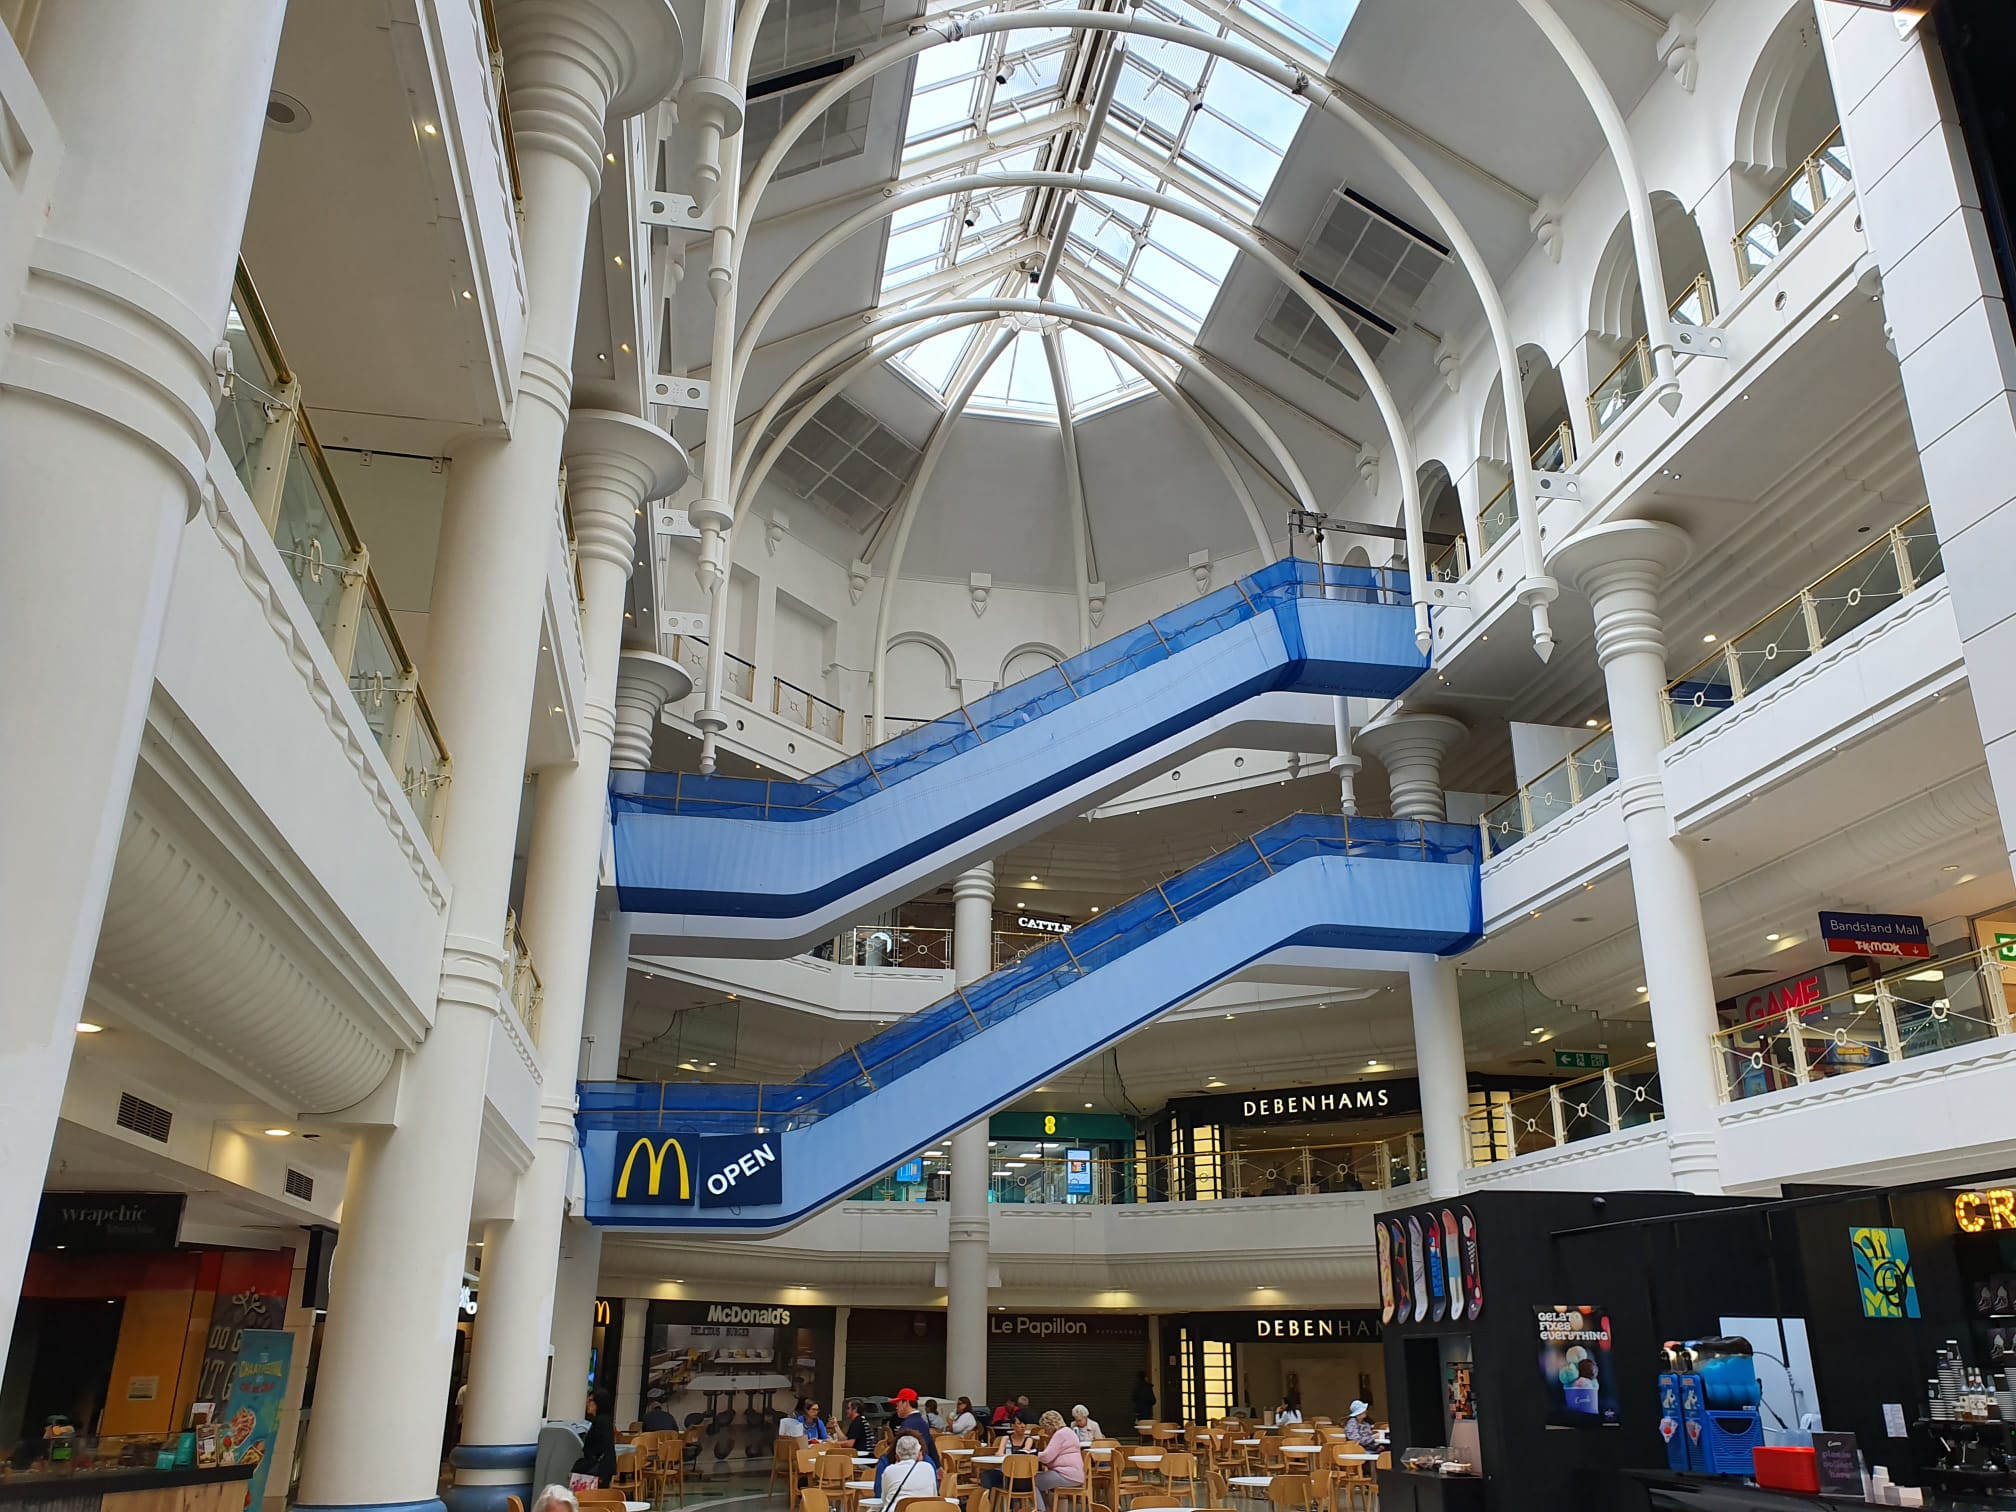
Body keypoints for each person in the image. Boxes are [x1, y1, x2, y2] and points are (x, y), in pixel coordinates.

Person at [1034, 1410, 1086, 1512]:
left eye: (1045, 1428)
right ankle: (1045, 1508)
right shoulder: (1068, 1431)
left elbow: (1047, 1457)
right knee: (1041, 1481)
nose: (1045, 1432)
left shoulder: (1059, 1434)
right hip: (1076, 1475)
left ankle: (1041, 1510)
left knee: (1033, 1482)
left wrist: (1034, 1455)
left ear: (1050, 1426)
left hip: (1065, 1475)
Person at [879, 1432, 940, 1507]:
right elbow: (934, 1495)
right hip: (924, 1509)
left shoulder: (889, 1470)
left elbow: (884, 1498)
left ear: (897, 1457)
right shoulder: (928, 1467)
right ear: (919, 1455)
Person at [572, 1390, 617, 1487]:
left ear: (598, 1403)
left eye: (590, 1400)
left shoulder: (601, 1422)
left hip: (597, 1470)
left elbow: (595, 1448)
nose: (587, 1403)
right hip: (602, 1470)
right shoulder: (605, 1420)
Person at [888, 1389, 939, 1464]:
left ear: (905, 1403)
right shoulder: (922, 1422)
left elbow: (899, 1452)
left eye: (898, 1404)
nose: (896, 1407)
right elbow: (931, 1446)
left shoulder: (907, 1425)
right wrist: (937, 1465)